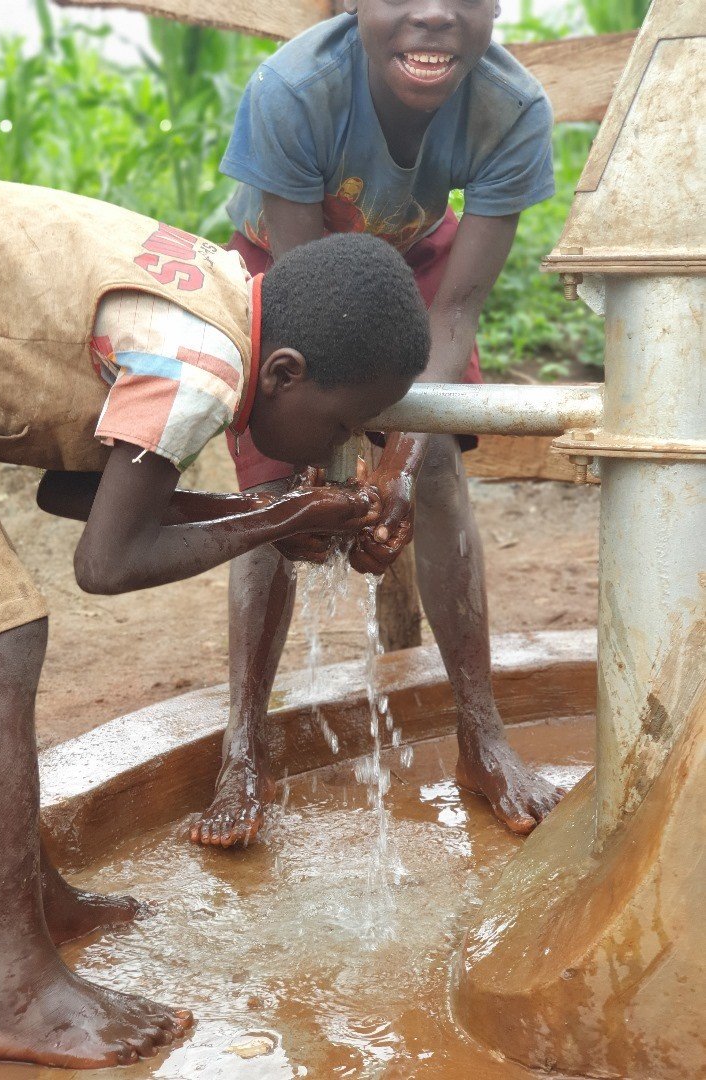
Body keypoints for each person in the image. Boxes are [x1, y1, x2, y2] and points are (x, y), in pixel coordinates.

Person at [0, 173, 428, 1069]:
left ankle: (26, 904)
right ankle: (12, 989)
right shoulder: (201, 363)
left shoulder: (220, 302)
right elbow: (104, 563)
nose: (347, 444)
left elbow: (81, 492)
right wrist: (280, 517)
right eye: (344, 422)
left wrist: (269, 516)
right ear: (285, 373)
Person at [191, 0, 565, 849]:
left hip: (416, 262)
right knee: (279, 489)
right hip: (284, 267)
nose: (432, 14)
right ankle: (242, 748)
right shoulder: (295, 89)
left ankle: (481, 733)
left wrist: (396, 464)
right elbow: (305, 309)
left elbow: (457, 314)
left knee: (434, 477)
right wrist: (330, 468)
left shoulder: (513, 110)